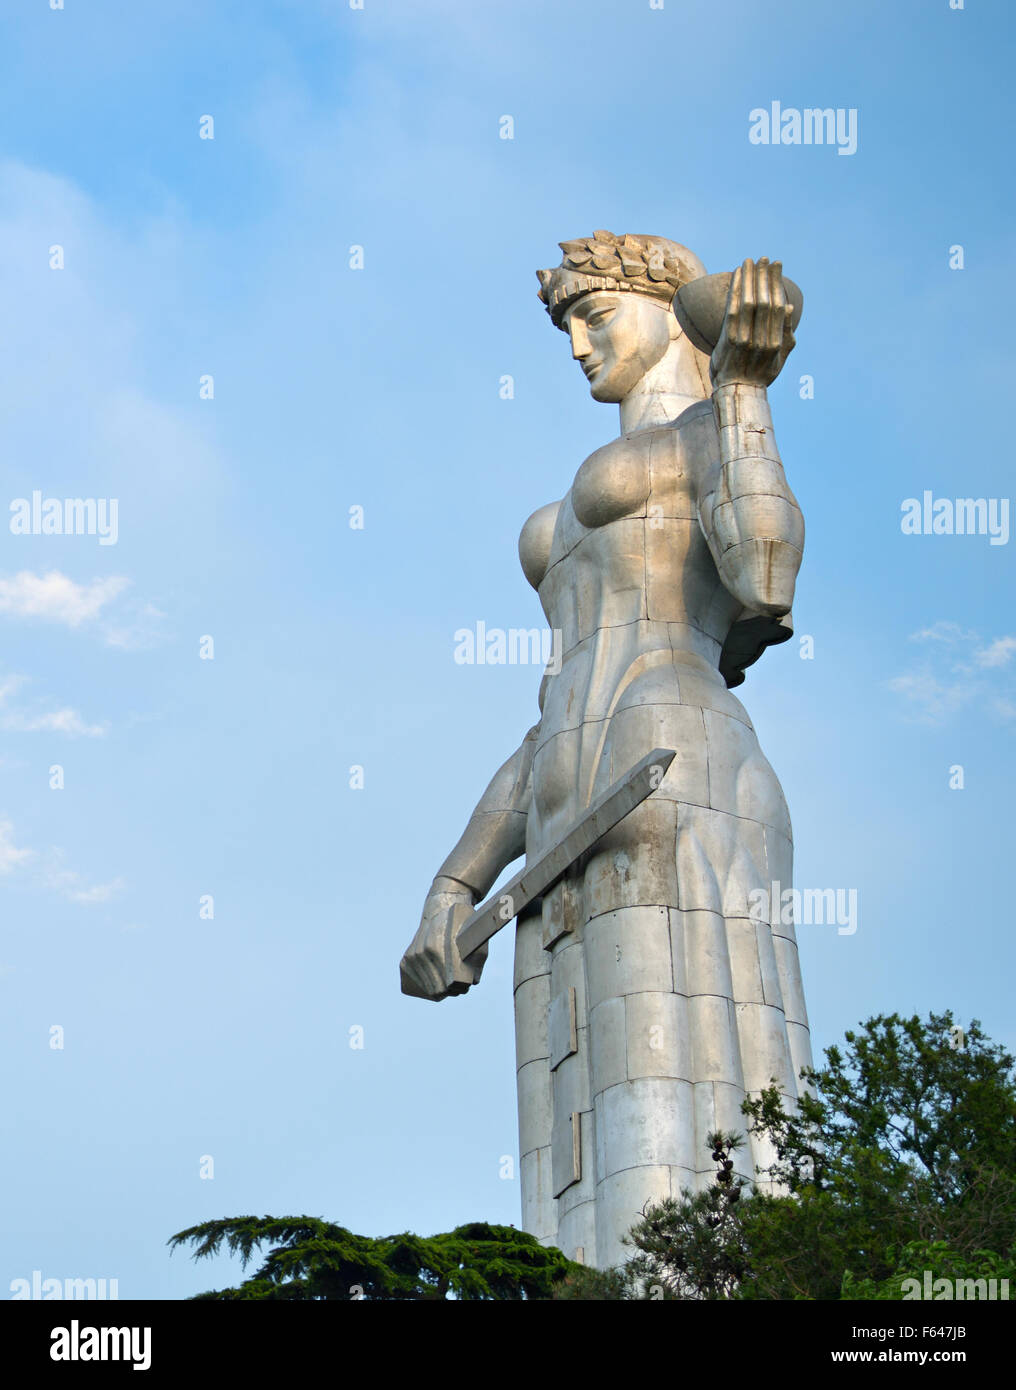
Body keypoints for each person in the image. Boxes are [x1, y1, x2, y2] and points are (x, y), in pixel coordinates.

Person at [400, 232, 813, 1271]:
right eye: (565, 327)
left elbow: (764, 570)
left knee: (681, 1114)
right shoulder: (576, 512)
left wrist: (744, 391)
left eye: (597, 316)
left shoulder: (707, 431)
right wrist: (454, 883)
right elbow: (546, 715)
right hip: (560, 801)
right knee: (573, 1130)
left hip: (668, 757)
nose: (578, 345)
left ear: (672, 309)